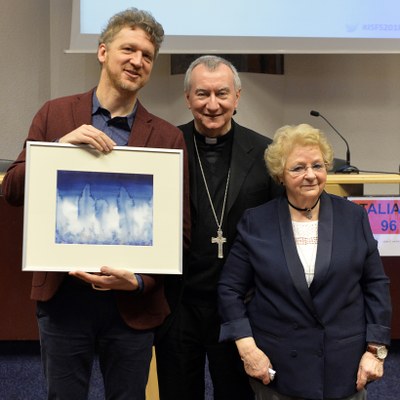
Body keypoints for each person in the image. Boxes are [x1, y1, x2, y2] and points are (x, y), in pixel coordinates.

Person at [3, 7, 190, 400]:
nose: (137, 61)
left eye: (147, 55)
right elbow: (13, 191)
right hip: (63, 298)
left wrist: (140, 281)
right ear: (103, 52)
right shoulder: (54, 114)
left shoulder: (168, 138)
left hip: (132, 306)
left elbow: (180, 236)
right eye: (129, 49)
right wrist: (56, 150)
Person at [218, 123, 392, 400]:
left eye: (318, 165)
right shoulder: (257, 221)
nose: (310, 175)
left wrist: (376, 351)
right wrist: (248, 349)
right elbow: (229, 289)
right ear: (280, 175)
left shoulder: (354, 217)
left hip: (344, 369)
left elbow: (376, 285)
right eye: (298, 168)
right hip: (278, 369)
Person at [155, 55, 282, 400]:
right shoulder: (166, 147)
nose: (212, 105)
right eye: (202, 94)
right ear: (187, 98)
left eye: (222, 94)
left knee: (237, 393)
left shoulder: (266, 152)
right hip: (180, 303)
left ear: (237, 97)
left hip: (240, 306)